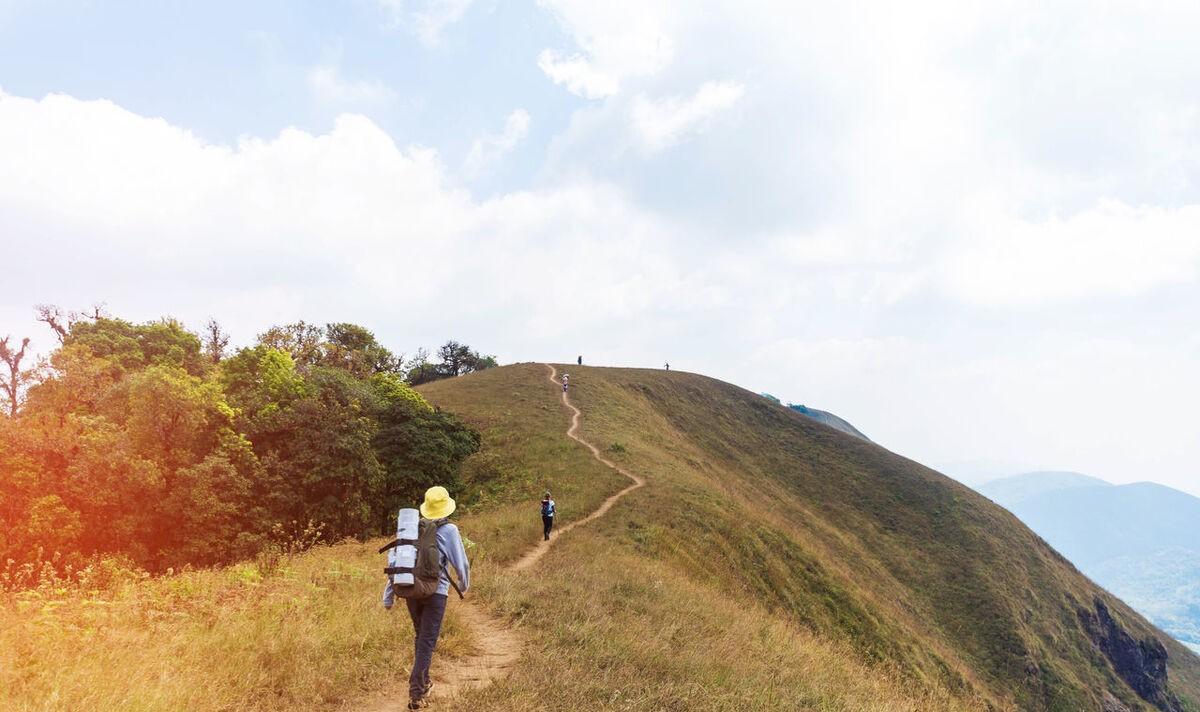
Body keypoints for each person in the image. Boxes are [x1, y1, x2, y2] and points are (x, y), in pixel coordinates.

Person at [383, 486, 470, 710]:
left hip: (411, 589)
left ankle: (424, 682)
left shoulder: (412, 528)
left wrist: (389, 596)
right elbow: (461, 562)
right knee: (427, 641)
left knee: (421, 638)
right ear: (446, 507)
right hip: (436, 592)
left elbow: (398, 561)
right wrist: (464, 584)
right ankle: (416, 692)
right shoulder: (450, 530)